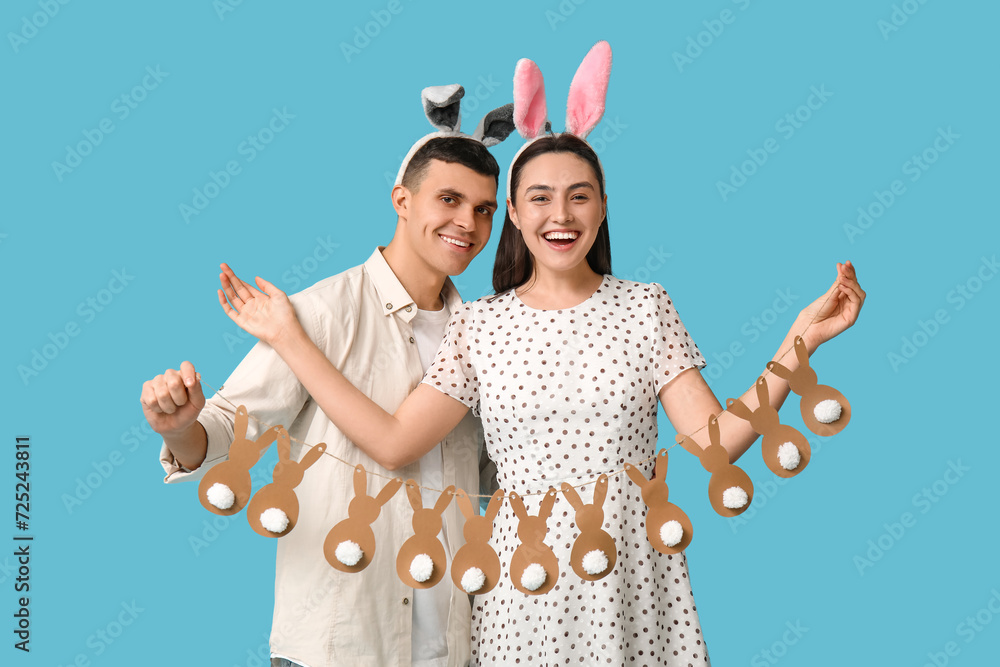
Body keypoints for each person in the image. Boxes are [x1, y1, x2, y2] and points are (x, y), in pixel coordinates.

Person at [214, 46, 865, 666]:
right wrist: (292, 340)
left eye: (579, 194)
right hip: (519, 592)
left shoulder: (647, 306)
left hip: (633, 581)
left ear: (603, 207)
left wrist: (801, 339)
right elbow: (392, 441)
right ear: (515, 218)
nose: (562, 213)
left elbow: (718, 441)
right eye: (540, 197)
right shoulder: (480, 327)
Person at [141, 86, 515, 667]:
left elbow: (498, 479)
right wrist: (178, 427)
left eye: (485, 208)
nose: (468, 222)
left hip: (455, 647)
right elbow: (220, 434)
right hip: (340, 646)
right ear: (402, 199)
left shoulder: (486, 334)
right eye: (449, 199)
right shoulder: (318, 316)